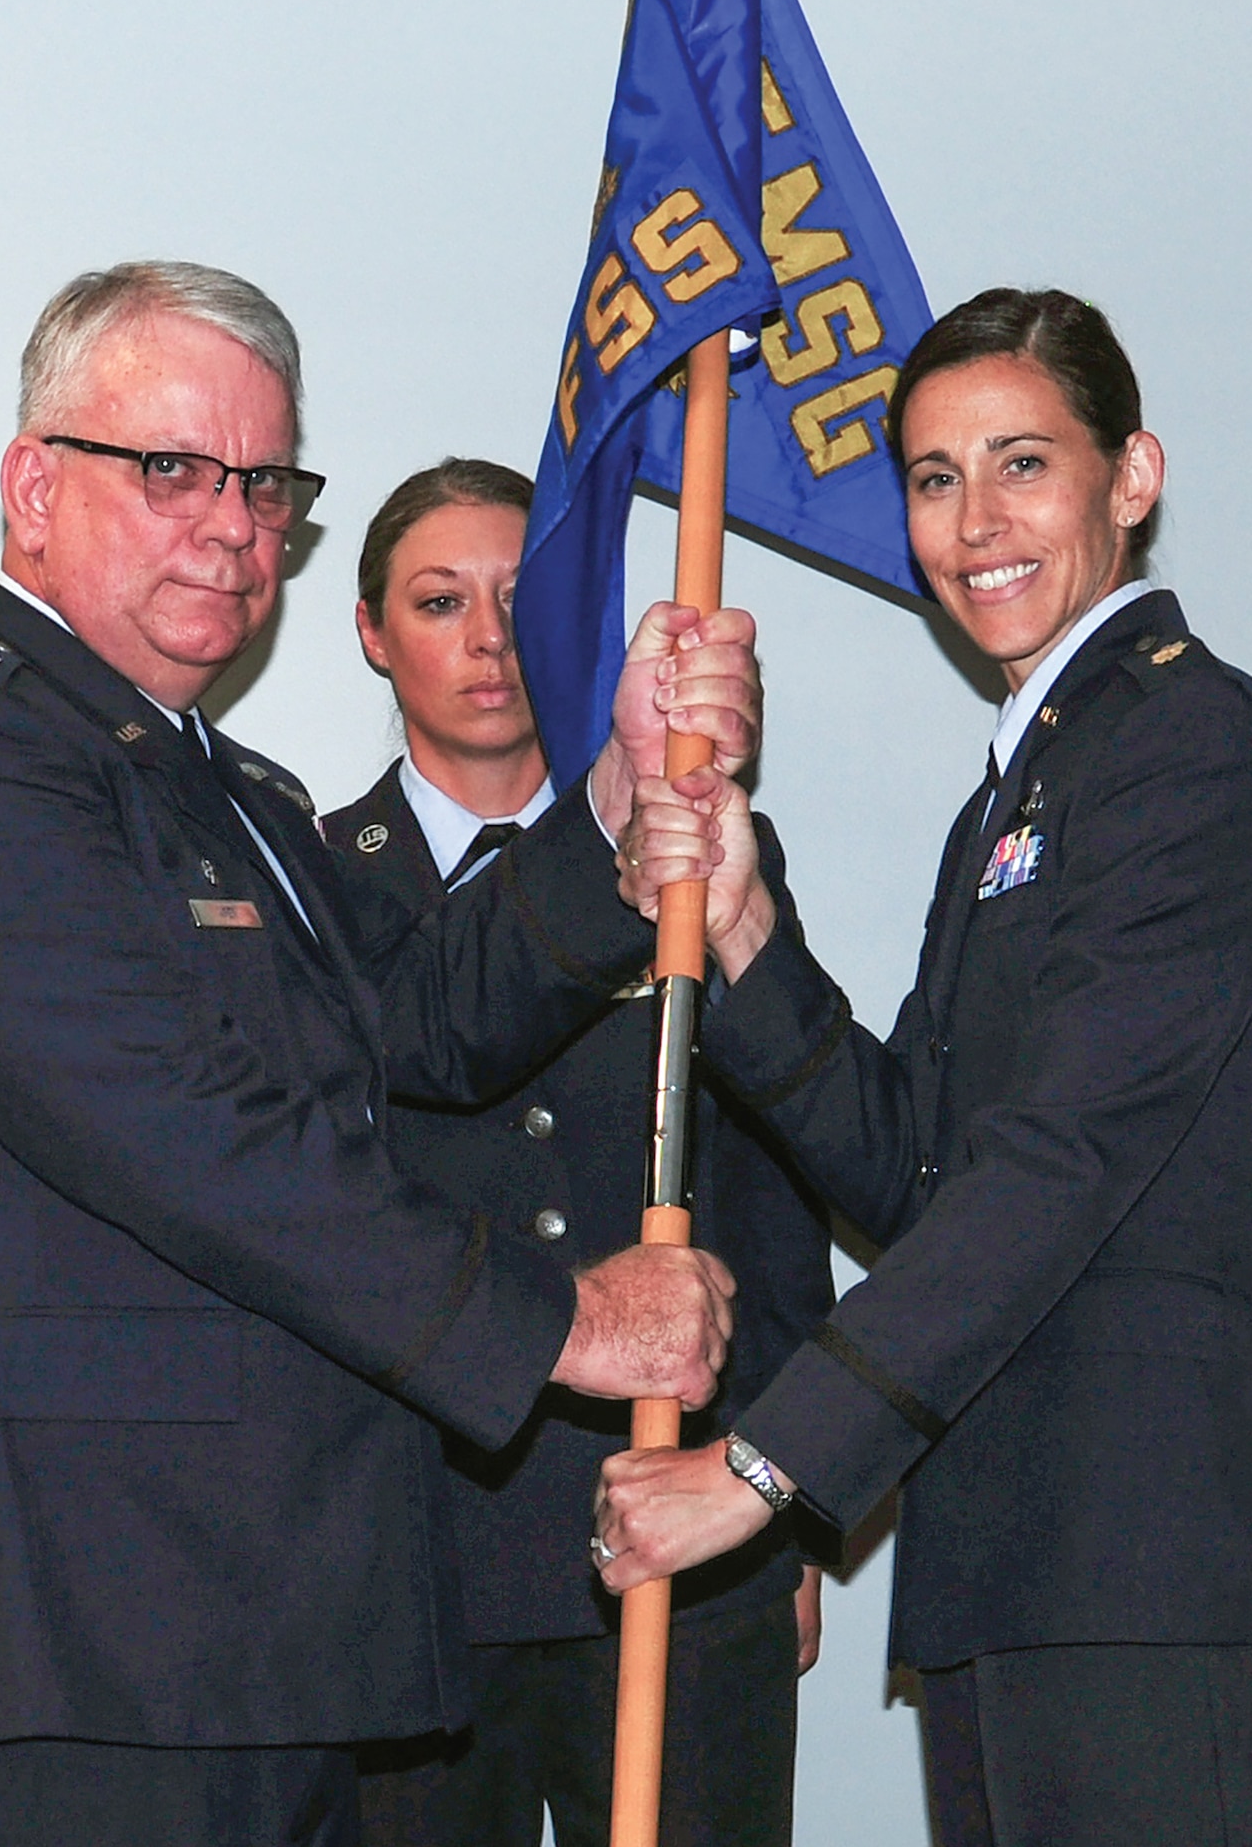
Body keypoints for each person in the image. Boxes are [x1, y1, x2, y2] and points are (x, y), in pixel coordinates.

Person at [0, 261, 763, 1847]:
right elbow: (190, 1135)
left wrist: (616, 794)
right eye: (171, 468)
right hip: (76, 1646)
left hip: (251, 1641)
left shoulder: (229, 788)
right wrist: (557, 1322)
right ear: (35, 488)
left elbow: (426, 1015)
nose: (234, 525)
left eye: (267, 484)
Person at [594, 289, 1252, 1845]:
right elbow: (921, 1178)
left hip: (1168, 1581)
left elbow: (1061, 1164)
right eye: (935, 479)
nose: (974, 522)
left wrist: (766, 1467)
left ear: (1129, 476)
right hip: (1017, 1564)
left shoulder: (1191, 746)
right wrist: (744, 935)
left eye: (1022, 463)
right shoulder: (1025, 784)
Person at [320, 460, 834, 1847]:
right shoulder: (307, 880)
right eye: (441, 601)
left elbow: (774, 1180)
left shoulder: (701, 847)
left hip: (675, 1525)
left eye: (521, 598)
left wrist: (783, 1487)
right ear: (374, 632)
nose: (488, 638)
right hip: (416, 1562)